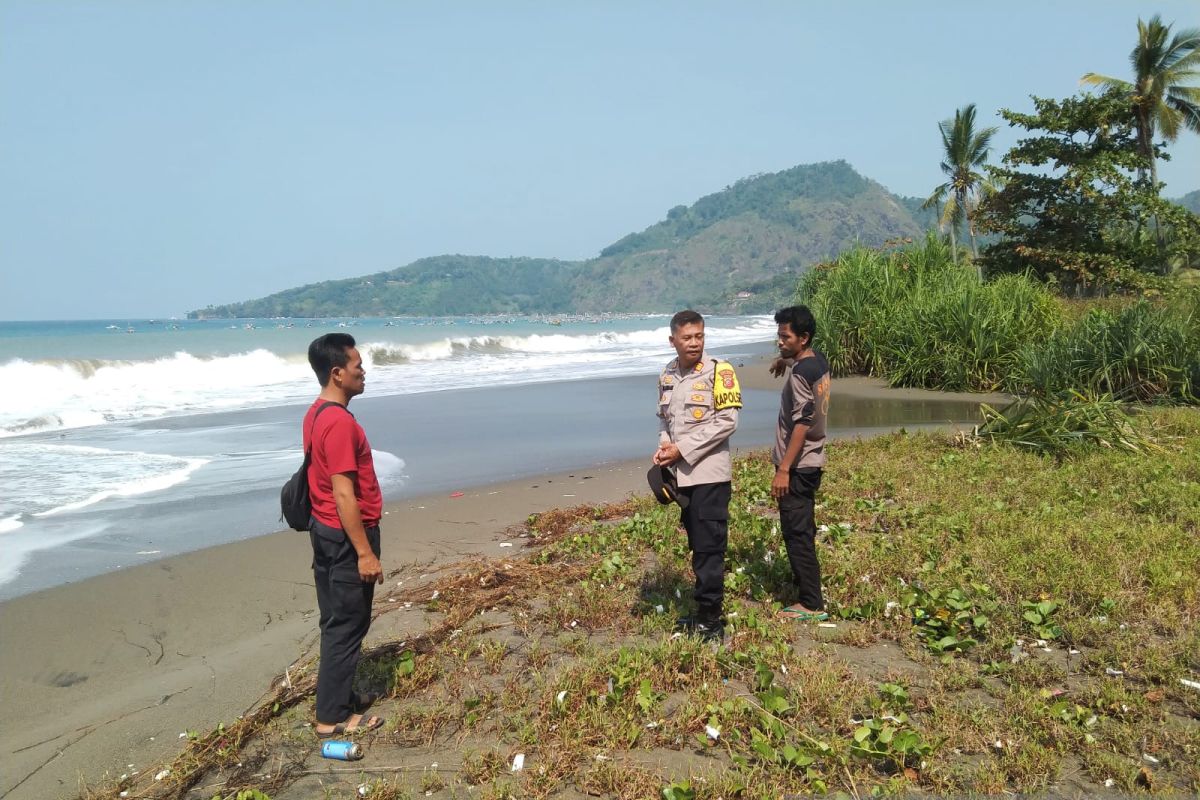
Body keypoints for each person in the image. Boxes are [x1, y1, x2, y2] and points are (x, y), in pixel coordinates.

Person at [304, 333, 386, 737]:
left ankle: (342, 697)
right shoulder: (337, 423)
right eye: (357, 365)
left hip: (326, 533)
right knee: (347, 624)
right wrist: (364, 553)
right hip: (344, 538)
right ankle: (331, 718)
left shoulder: (317, 413)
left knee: (339, 619)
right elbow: (343, 493)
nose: (363, 370)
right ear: (337, 374)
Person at [654, 310, 742, 642]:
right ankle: (703, 613)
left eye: (699, 336)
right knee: (697, 545)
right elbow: (665, 420)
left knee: (710, 549)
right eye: (687, 337)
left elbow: (727, 422)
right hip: (682, 477)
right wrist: (664, 447)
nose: (694, 343)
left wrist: (682, 449)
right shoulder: (666, 374)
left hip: (709, 474)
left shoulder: (721, 371)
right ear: (673, 340)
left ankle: (711, 622)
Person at [770, 305, 831, 622]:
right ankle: (807, 590)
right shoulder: (817, 362)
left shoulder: (799, 377)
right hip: (814, 459)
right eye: (779, 335)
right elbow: (802, 361)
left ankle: (811, 603)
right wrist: (785, 358)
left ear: (803, 337)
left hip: (798, 465)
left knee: (796, 534)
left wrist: (783, 469)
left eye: (785, 337)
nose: (779, 341)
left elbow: (802, 424)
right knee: (802, 528)